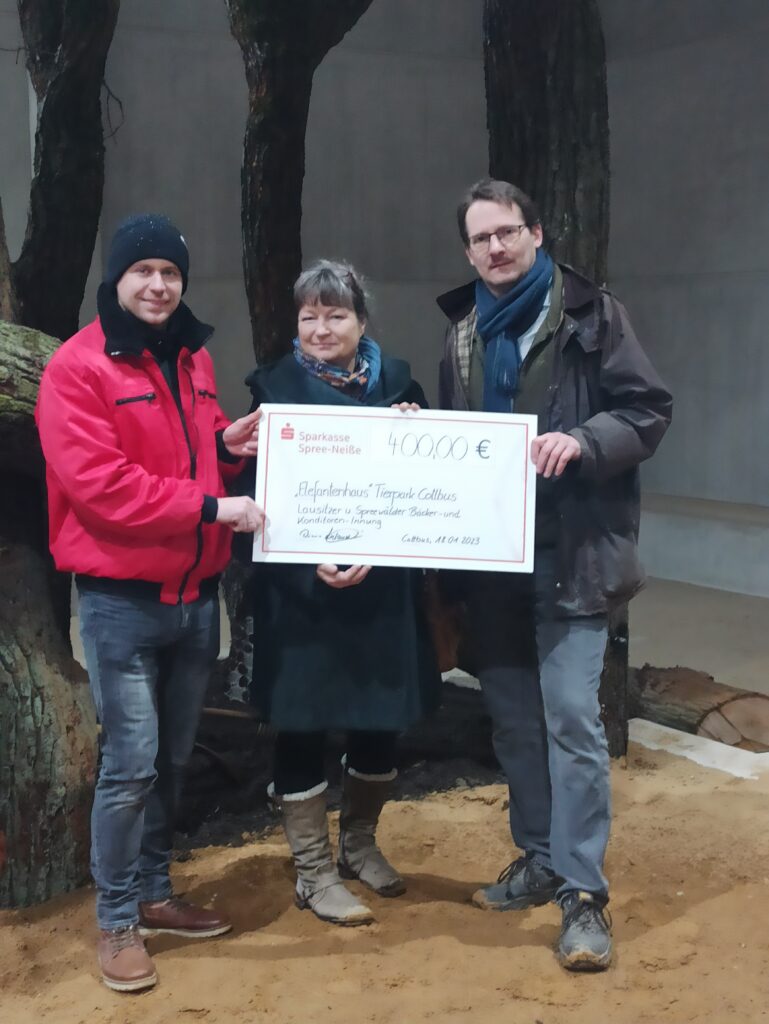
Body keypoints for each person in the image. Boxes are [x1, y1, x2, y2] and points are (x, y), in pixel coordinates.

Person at [437, 179, 672, 970]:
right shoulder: (463, 332)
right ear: (467, 250)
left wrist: (583, 440)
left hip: (573, 559)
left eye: (507, 232)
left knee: (570, 717)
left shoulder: (593, 316)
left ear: (535, 233)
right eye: (480, 239)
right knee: (511, 721)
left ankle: (581, 894)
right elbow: (457, 445)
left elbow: (646, 410)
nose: (495, 248)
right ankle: (538, 855)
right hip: (493, 567)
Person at [36, 214, 264, 993]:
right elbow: (98, 489)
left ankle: (158, 892)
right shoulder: (78, 368)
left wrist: (229, 448)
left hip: (195, 602)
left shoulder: (191, 356)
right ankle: (118, 920)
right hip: (122, 604)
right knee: (130, 766)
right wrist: (212, 511)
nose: (159, 286)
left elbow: (197, 453)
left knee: (169, 759)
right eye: (145, 273)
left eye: (170, 273)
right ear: (119, 281)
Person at [240, 259, 441, 926]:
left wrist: (419, 438)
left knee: (380, 720)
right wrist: (310, 567)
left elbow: (430, 498)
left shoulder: (401, 387)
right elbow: (256, 503)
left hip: (382, 595)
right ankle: (312, 871)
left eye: (335, 315)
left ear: (361, 321)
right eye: (308, 316)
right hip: (301, 598)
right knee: (301, 724)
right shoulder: (270, 393)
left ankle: (356, 844)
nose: (321, 328)